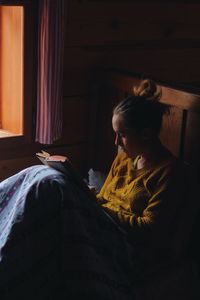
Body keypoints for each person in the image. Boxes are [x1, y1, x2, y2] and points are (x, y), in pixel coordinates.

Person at [0, 79, 199, 300]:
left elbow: (149, 230)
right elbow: (104, 198)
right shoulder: (124, 159)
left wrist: (96, 205)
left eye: (122, 134)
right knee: (38, 175)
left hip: (124, 244)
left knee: (50, 185)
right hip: (99, 222)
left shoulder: (170, 174)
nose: (117, 142)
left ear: (146, 134)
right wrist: (90, 196)